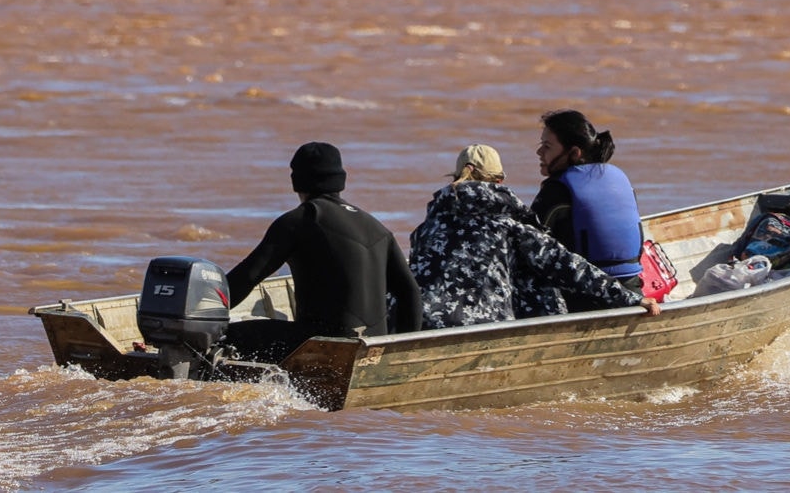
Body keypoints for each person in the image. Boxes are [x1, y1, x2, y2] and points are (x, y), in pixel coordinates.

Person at [410, 143, 659, 329]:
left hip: (424, 325)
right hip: (484, 328)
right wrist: (630, 299)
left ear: (455, 179)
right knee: (538, 270)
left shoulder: (425, 230)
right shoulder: (508, 226)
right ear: (499, 182)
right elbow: (568, 267)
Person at [225, 142, 422, 361]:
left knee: (226, 337)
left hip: (324, 346)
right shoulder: (377, 227)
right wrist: (401, 354)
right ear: (340, 179)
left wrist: (209, 309)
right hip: (373, 349)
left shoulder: (300, 220)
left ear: (297, 182)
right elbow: (410, 293)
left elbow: (248, 276)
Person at [532, 109, 646, 311]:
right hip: (632, 288)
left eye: (547, 147)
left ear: (574, 153)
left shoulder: (557, 190)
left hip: (586, 296)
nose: (539, 153)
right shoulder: (618, 177)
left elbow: (529, 245)